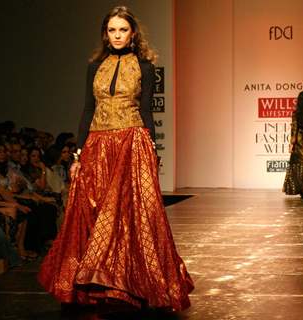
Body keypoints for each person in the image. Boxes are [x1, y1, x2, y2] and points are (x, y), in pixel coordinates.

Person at [38, 6, 193, 311]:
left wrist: (152, 148)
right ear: (105, 34)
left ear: (133, 33)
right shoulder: (95, 66)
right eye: (112, 30)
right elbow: (87, 109)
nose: (117, 35)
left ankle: (130, 284)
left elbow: (146, 109)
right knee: (92, 210)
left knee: (130, 215)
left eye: (123, 29)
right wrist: (79, 152)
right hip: (97, 143)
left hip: (131, 141)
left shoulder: (145, 67)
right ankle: (93, 284)